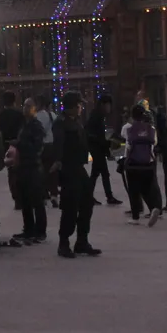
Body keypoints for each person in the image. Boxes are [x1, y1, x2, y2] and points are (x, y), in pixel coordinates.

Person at [52, 91, 101, 258]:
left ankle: (82, 241)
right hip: (68, 168)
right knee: (70, 207)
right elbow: (58, 143)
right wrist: (58, 162)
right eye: (79, 105)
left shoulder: (76, 121)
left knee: (87, 203)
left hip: (79, 167)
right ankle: (64, 243)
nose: (81, 108)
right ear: (72, 106)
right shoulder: (61, 123)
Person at [13, 98, 48, 243]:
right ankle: (28, 229)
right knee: (25, 200)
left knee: (37, 200)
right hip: (23, 166)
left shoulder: (36, 126)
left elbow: (37, 147)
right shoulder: (24, 125)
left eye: (29, 106)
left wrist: (20, 145)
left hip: (33, 167)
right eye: (24, 105)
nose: (25, 108)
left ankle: (40, 231)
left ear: (35, 108)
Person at [123, 104, 162, 227]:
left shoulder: (129, 128)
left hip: (133, 164)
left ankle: (135, 217)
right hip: (148, 163)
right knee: (147, 189)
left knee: (134, 190)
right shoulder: (151, 129)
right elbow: (154, 143)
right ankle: (153, 208)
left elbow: (128, 146)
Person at [86, 94, 123, 206]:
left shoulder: (98, 115)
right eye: (108, 105)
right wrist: (106, 146)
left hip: (97, 148)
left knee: (97, 173)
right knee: (102, 173)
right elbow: (95, 135)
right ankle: (106, 197)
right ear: (103, 104)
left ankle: (89, 196)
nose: (109, 108)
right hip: (97, 148)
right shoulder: (96, 116)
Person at [0, 91, 25, 210]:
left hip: (6, 145)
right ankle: (22, 197)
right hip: (19, 145)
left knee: (11, 172)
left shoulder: (0, 116)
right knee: (21, 171)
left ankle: (16, 197)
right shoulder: (20, 114)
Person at [35, 95, 59, 208]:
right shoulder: (53, 115)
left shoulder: (38, 116)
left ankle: (44, 195)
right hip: (53, 146)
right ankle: (54, 194)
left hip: (42, 146)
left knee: (42, 171)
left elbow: (37, 132)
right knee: (53, 171)